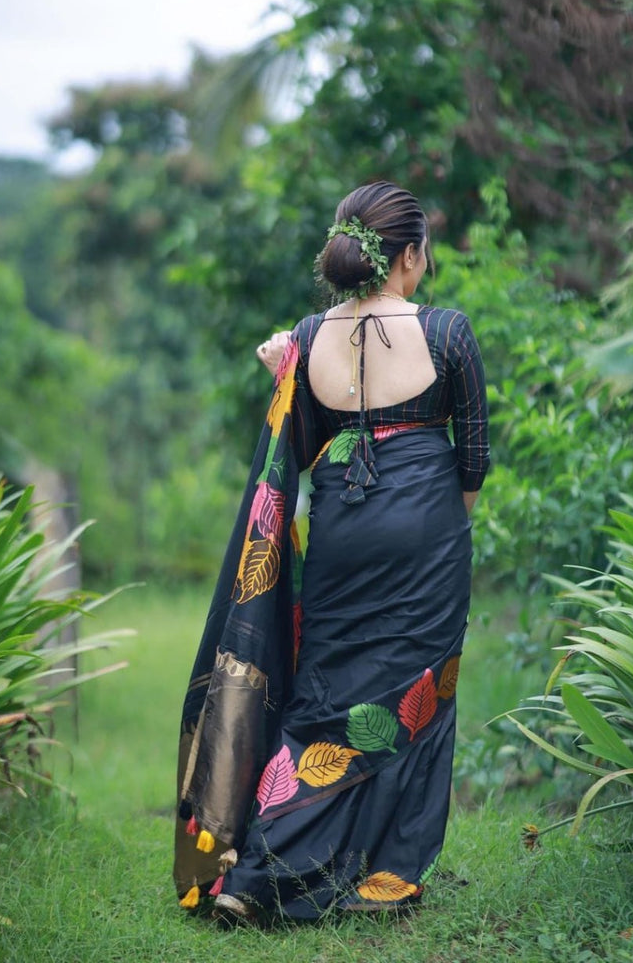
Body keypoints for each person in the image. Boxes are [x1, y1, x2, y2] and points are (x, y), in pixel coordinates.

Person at [174, 181, 489, 924]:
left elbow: (304, 449)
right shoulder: (447, 332)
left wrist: (280, 376)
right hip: (427, 536)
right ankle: (387, 878)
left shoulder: (309, 336)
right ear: (409, 255)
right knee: (421, 696)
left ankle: (255, 877)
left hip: (340, 530)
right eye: (424, 255)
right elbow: (472, 462)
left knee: (323, 702)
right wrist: (446, 530)